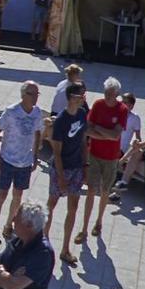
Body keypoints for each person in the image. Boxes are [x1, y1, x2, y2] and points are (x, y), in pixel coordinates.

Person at [0, 82, 49, 247]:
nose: (35, 97)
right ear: (23, 95)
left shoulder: (37, 113)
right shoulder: (11, 112)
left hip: (24, 162)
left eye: (37, 94)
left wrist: (36, 154)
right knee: (0, 196)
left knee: (17, 197)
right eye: (32, 94)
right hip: (8, 160)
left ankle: (9, 225)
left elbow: (38, 133)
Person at [45, 83, 88, 257]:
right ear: (71, 98)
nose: (84, 98)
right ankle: (44, 243)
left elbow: (84, 142)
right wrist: (61, 177)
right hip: (61, 168)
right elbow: (56, 151)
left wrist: (85, 166)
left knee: (73, 208)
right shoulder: (61, 120)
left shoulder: (82, 114)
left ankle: (65, 248)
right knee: (51, 205)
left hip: (77, 167)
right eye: (80, 96)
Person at [83, 77, 128, 242]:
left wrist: (99, 129)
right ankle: (84, 226)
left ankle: (99, 221)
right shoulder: (97, 105)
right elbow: (87, 129)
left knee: (105, 191)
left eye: (111, 94)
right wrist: (105, 135)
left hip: (110, 158)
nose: (108, 97)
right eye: (106, 93)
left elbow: (116, 135)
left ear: (117, 94)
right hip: (94, 154)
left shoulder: (122, 109)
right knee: (90, 190)